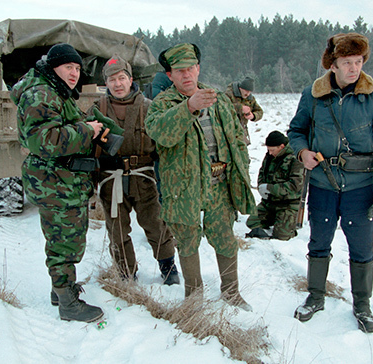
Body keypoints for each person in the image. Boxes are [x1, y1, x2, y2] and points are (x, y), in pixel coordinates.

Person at [287, 32, 373, 333]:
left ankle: (362, 304)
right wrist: (302, 152)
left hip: (359, 188)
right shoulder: (313, 94)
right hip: (323, 185)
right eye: (347, 62)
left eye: (359, 61)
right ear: (333, 64)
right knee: (318, 242)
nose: (354, 68)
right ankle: (315, 296)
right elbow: (296, 131)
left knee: (362, 249)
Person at [145, 43, 256, 311]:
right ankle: (193, 298)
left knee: (225, 236)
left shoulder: (217, 98)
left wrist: (240, 170)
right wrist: (188, 108)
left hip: (219, 184)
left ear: (198, 68)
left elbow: (236, 139)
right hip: (184, 188)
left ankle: (231, 292)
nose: (186, 75)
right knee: (186, 240)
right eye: (179, 70)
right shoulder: (162, 104)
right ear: (169, 75)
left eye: (191, 68)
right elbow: (160, 134)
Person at [10, 43, 111, 323]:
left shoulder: (53, 90)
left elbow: (58, 126)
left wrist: (89, 124)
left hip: (61, 181)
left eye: (78, 68)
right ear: (53, 66)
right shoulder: (40, 93)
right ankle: (68, 304)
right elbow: (44, 140)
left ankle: (61, 290)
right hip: (55, 183)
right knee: (64, 243)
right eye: (69, 67)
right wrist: (86, 130)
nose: (74, 73)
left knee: (66, 239)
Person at [87, 55, 179, 285]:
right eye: (112, 80)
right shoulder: (97, 110)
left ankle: (168, 267)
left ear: (131, 79)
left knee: (156, 225)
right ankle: (126, 273)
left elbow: (164, 146)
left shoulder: (149, 107)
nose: (117, 84)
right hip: (111, 179)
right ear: (105, 83)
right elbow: (87, 147)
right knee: (117, 231)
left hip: (144, 177)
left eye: (121, 78)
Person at [245, 131, 304, 240]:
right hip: (270, 202)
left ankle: (287, 224)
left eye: (272, 150)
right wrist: (262, 186)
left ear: (281, 146)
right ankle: (274, 220)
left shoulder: (296, 158)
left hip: (287, 204)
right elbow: (262, 172)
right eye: (268, 149)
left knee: (282, 235)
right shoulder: (270, 156)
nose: (270, 153)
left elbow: (295, 186)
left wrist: (271, 189)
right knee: (252, 221)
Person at [225, 76, 263, 145]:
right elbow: (223, 107)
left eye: (250, 92)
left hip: (242, 131)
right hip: (227, 130)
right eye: (246, 91)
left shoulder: (250, 99)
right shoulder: (229, 95)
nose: (248, 94)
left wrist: (253, 116)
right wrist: (240, 108)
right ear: (240, 88)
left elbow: (260, 111)